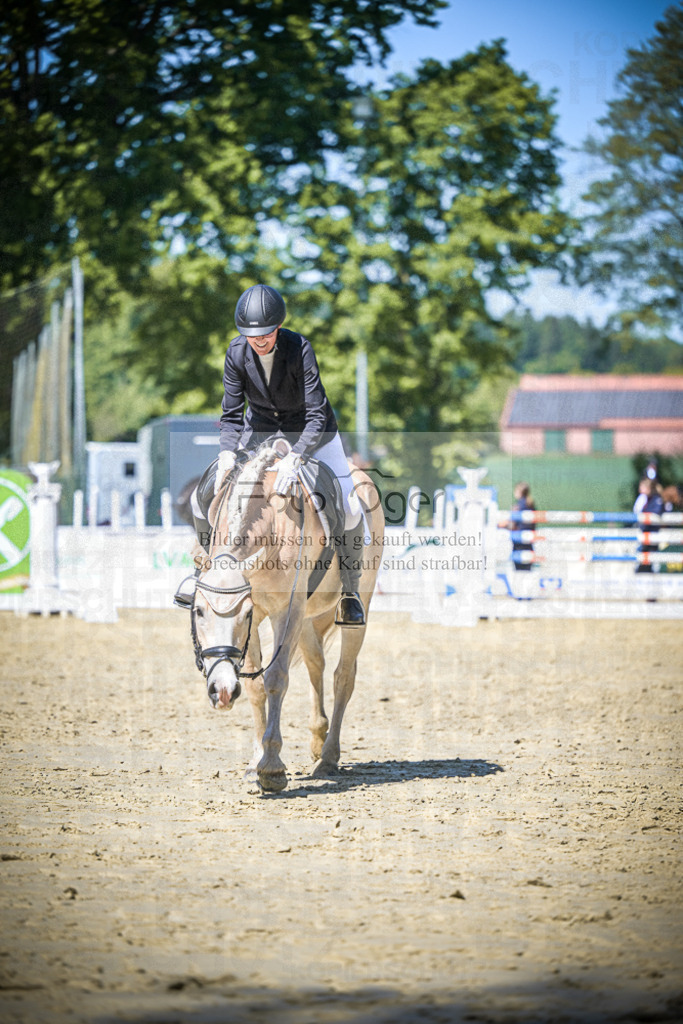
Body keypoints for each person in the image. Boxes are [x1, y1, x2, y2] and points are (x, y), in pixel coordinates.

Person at [177, 283, 366, 626]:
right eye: (252, 335)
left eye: (265, 334)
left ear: (277, 328)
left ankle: (350, 593)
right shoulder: (236, 354)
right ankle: (201, 572)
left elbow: (316, 412)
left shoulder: (299, 349)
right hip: (261, 432)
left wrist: (297, 455)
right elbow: (233, 414)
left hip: (314, 432)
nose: (259, 340)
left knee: (351, 508)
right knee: (202, 496)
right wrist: (226, 454)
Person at [634, 477, 664, 574]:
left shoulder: (657, 499)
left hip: (653, 532)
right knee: (643, 555)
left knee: (653, 557)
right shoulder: (646, 499)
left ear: (649, 488)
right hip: (646, 531)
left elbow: (655, 513)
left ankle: (654, 572)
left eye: (643, 487)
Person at [506, 481, 536, 571]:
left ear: (519, 491)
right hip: (529, 542)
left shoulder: (519, 506)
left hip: (519, 542)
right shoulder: (531, 504)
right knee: (527, 571)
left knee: (519, 572)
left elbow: (512, 524)